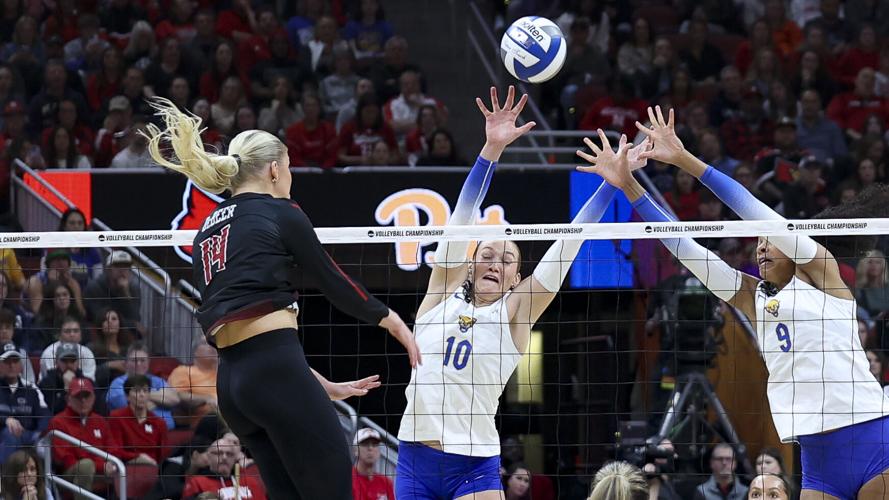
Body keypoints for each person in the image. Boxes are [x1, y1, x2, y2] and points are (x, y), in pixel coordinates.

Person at [580, 104, 889, 499]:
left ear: (793, 246)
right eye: (757, 244)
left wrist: (683, 159)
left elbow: (751, 209)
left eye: (769, 241)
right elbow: (687, 250)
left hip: (871, 437)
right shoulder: (753, 298)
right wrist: (630, 188)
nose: (760, 247)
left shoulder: (822, 275)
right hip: (816, 456)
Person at [142, 95, 419, 500]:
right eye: (288, 166)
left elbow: (246, 326)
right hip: (273, 372)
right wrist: (393, 321)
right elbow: (333, 281)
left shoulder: (207, 230)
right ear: (274, 169)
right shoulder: (281, 212)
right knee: (334, 483)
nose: (289, 176)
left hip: (234, 387)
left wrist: (315, 382)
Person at [395, 86, 648, 500]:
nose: (495, 262)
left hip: (473, 463)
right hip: (414, 456)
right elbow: (461, 217)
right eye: (488, 254)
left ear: (516, 278)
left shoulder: (515, 311)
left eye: (507, 259)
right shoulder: (439, 294)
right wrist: (491, 149)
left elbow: (568, 244)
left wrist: (612, 185)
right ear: (471, 264)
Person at [46, 378, 119, 500]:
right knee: (86, 466)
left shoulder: (100, 420)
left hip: (102, 472)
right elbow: (65, 460)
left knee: (128, 468)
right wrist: (102, 466)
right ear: (68, 399)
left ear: (94, 398)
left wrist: (112, 465)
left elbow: (113, 448)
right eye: (78, 397)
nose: (83, 401)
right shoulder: (58, 422)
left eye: (87, 396)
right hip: (69, 475)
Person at [107, 343, 179, 431]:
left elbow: (175, 399)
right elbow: (131, 407)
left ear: (148, 363)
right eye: (134, 360)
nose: (138, 364)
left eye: (143, 360)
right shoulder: (118, 383)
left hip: (165, 434)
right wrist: (159, 400)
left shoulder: (157, 381)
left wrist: (143, 396)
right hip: (134, 434)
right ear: (125, 363)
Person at [0, 341, 49, 462]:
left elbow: (44, 415)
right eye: (7, 362)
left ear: (21, 365)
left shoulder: (31, 389)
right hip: (3, 436)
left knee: (44, 442)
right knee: (9, 434)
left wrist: (40, 433)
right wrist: (5, 420)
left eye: (15, 361)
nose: (11, 365)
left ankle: (47, 479)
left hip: (28, 436)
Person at [182, 434, 267, 500]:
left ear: (235, 458)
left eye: (230, 454)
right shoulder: (197, 483)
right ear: (208, 457)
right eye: (218, 453)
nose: (224, 457)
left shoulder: (249, 481)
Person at [108, 374, 167, 465]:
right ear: (127, 396)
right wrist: (137, 457)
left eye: (145, 391)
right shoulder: (117, 418)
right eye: (137, 391)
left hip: (153, 469)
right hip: (126, 467)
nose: (142, 395)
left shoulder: (159, 423)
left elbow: (162, 456)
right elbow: (115, 451)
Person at [352, 427, 394, 500]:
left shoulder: (386, 482)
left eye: (374, 444)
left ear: (379, 450)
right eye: (365, 444)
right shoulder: (347, 479)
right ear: (356, 449)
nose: (370, 448)